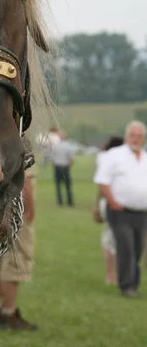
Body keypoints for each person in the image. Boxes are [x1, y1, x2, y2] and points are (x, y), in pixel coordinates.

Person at [93, 121, 147, 298]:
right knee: (126, 247)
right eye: (133, 135)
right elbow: (102, 180)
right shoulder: (114, 155)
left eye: (139, 136)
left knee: (138, 249)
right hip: (120, 210)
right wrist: (113, 201)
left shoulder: (145, 158)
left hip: (141, 212)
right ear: (126, 137)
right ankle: (126, 286)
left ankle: (134, 284)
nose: (136, 139)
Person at [0, 166, 38, 331]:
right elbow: (24, 181)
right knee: (14, 263)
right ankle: (9, 314)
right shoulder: (18, 142)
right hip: (15, 212)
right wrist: (29, 212)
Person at [93, 136, 123, 285]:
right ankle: (112, 275)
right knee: (113, 237)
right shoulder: (111, 161)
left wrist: (96, 205)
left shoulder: (104, 159)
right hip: (112, 202)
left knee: (111, 237)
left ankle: (112, 275)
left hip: (111, 202)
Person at [50, 132, 75, 206]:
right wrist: (69, 166)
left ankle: (59, 201)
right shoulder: (69, 146)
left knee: (58, 185)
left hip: (57, 167)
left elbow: (52, 157)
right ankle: (70, 201)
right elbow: (71, 159)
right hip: (65, 167)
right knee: (68, 185)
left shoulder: (56, 146)